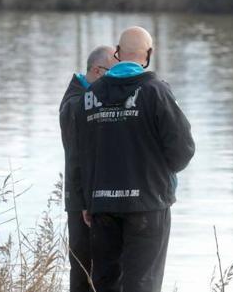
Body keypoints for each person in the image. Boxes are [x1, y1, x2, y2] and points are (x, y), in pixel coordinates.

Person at [74, 26, 196, 292]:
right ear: (148, 54)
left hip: (102, 204)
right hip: (147, 203)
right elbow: (183, 149)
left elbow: (81, 152)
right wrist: (163, 171)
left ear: (117, 53)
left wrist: (87, 199)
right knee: (142, 284)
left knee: (106, 284)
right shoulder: (155, 92)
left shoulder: (90, 96)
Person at [60, 46, 117, 292]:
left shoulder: (87, 97)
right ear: (97, 70)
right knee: (84, 273)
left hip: (92, 198)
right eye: (113, 74)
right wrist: (85, 202)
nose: (118, 81)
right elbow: (76, 158)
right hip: (82, 202)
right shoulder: (76, 104)